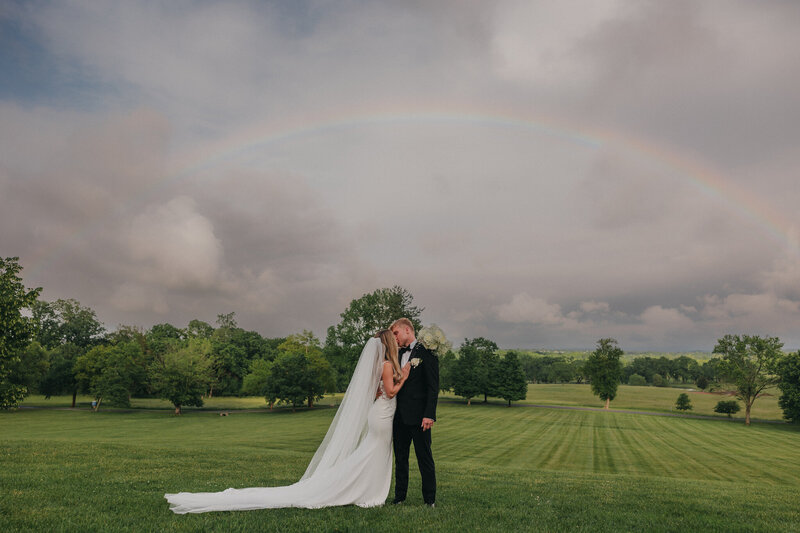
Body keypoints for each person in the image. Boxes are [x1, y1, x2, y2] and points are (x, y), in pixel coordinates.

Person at [164, 330, 410, 513]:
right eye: (396, 339)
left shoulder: (381, 365)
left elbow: (378, 390)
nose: (398, 342)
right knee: (372, 452)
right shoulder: (388, 365)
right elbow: (389, 392)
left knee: (371, 453)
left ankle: (366, 488)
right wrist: (405, 377)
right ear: (389, 344)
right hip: (382, 415)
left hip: (381, 413)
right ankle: (363, 490)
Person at [389, 318, 439, 507]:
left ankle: (429, 500)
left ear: (408, 330)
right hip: (399, 416)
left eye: (396, 333)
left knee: (424, 458)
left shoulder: (428, 351)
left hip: (420, 417)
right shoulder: (396, 353)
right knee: (400, 458)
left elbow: (433, 387)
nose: (395, 338)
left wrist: (429, 414)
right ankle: (399, 497)